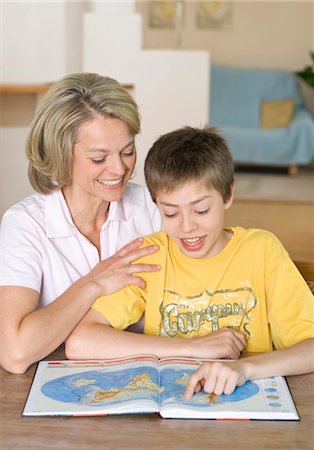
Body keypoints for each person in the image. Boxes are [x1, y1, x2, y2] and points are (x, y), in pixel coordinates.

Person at [66, 125, 314, 396]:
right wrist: (194, 347)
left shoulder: (262, 250)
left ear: (228, 195)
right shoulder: (150, 255)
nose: (187, 227)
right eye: (171, 214)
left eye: (201, 210)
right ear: (156, 204)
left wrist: (244, 368)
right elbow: (81, 342)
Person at [0, 72, 163, 374]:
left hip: (149, 372)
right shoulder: (25, 224)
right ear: (61, 154)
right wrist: (92, 284)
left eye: (127, 151)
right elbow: (15, 352)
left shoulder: (150, 208)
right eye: (99, 158)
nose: (119, 169)